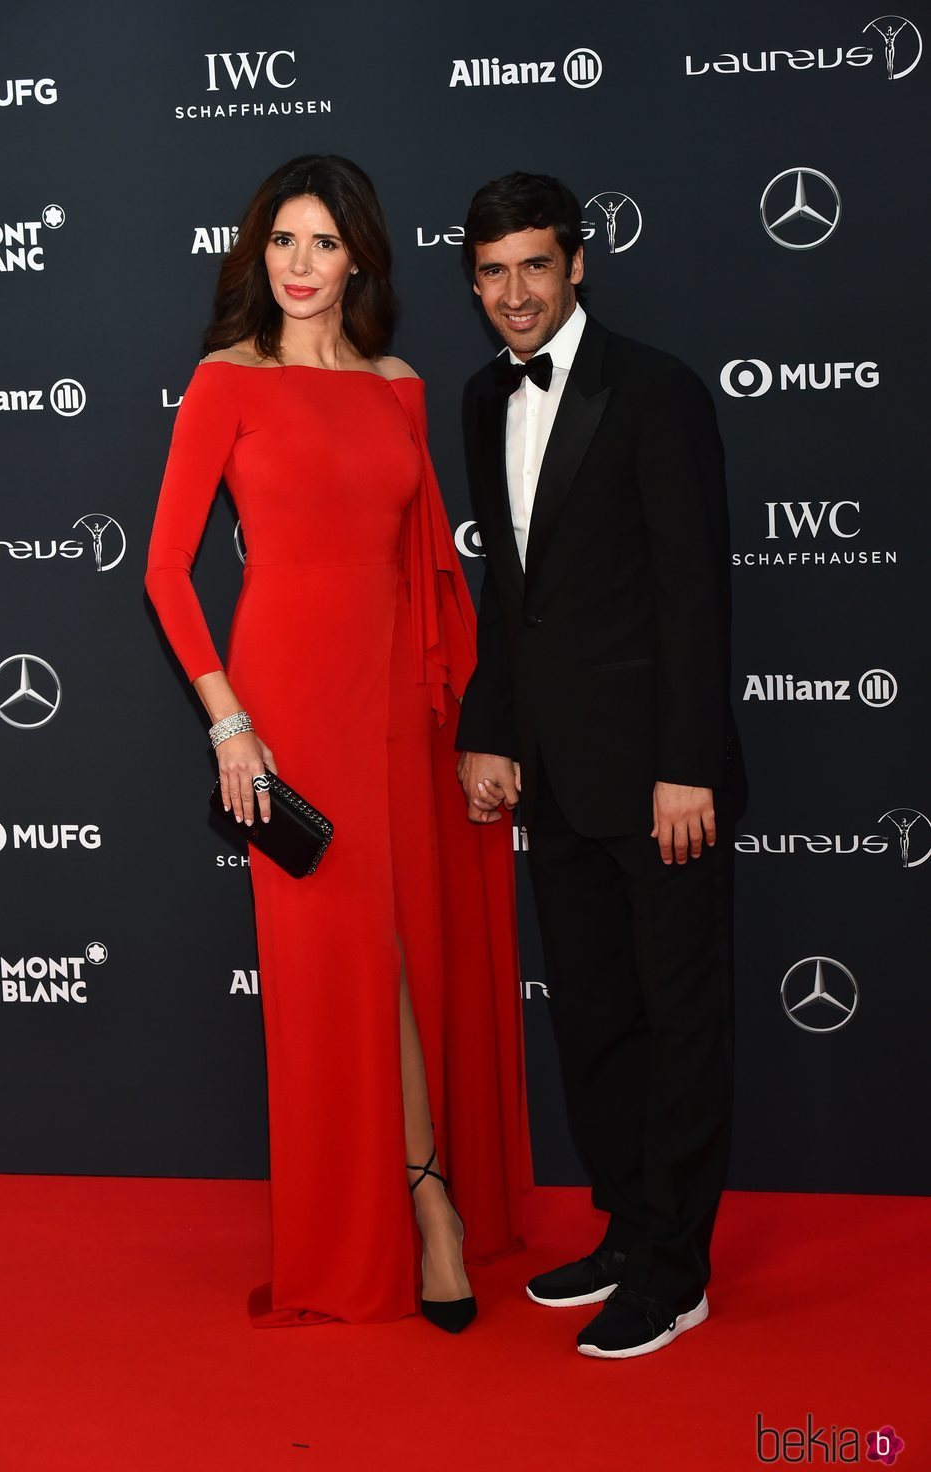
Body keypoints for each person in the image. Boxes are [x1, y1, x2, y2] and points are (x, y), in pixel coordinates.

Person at [145, 155, 529, 1332]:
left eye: (320, 243)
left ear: (359, 253)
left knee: (408, 945)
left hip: (398, 702)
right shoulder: (225, 380)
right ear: (257, 255)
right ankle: (426, 1211)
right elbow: (165, 570)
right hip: (285, 706)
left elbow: (432, 567)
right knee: (340, 963)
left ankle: (427, 1198)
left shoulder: (400, 387)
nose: (299, 267)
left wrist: (468, 713)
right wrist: (229, 725)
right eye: (280, 243)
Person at [455, 172, 740, 1359]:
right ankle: (625, 1229)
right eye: (489, 273)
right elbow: (508, 593)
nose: (513, 294)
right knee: (593, 1018)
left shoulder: (657, 389)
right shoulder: (480, 398)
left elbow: (692, 588)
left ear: (577, 263)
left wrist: (687, 762)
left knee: (679, 1021)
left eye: (532, 265)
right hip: (555, 774)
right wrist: (490, 725)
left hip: (658, 776)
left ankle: (676, 1267)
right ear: (470, 284)